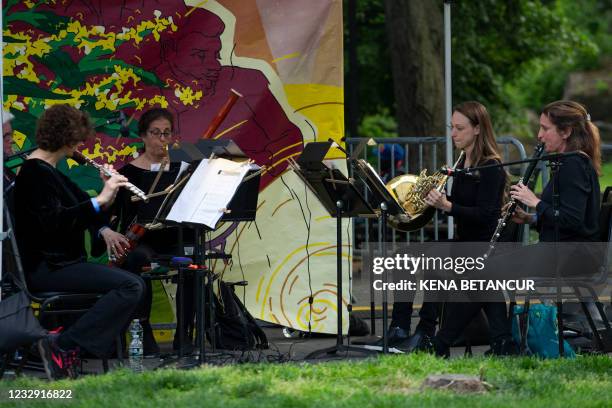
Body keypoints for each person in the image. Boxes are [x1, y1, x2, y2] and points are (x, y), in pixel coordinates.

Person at [427, 100, 601, 357]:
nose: (539, 135)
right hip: (564, 251)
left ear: (566, 132)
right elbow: (568, 219)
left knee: (486, 271)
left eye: (545, 129)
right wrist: (529, 218)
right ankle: (498, 342)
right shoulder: (568, 162)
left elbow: (574, 221)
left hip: (571, 257)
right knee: (488, 270)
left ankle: (443, 344)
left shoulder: (575, 164)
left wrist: (535, 202)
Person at [14, 104, 144, 380]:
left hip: (62, 265)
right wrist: (100, 199)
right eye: (79, 138)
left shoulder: (52, 172)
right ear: (67, 138)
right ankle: (63, 345)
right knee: (131, 285)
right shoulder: (33, 174)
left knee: (130, 281)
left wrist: (104, 204)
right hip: (47, 268)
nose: (81, 145)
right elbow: (52, 224)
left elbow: (85, 213)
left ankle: (66, 346)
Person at [383, 101, 510, 354]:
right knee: (402, 258)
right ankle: (399, 329)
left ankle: (426, 332)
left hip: (481, 246)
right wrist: (427, 202)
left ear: (477, 129)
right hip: (463, 242)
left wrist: (447, 205)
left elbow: (486, 215)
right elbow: (457, 208)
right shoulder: (462, 163)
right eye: (452, 127)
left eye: (459, 128)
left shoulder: (490, 166)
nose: (453, 133)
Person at [106, 107, 195, 355]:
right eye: (156, 133)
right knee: (137, 259)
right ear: (143, 136)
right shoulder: (127, 174)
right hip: (144, 240)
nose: (162, 139)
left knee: (194, 260)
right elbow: (115, 215)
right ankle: (143, 333)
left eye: (167, 133)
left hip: (175, 236)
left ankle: (184, 336)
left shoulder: (182, 170)